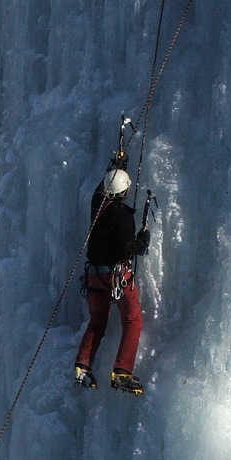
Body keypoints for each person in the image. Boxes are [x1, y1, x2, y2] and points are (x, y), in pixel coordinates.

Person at [74, 167, 150, 395]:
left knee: (97, 321)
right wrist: (142, 241)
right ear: (125, 192)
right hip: (116, 276)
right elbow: (128, 249)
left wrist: (114, 165)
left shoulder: (98, 205)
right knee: (132, 321)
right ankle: (122, 371)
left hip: (94, 276)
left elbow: (100, 190)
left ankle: (83, 366)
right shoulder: (123, 215)